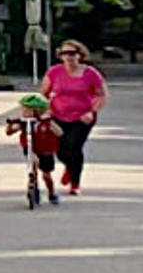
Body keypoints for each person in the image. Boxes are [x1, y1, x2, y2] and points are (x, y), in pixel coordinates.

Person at [42, 40, 108, 191]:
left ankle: (75, 183)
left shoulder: (90, 73)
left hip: (81, 117)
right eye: (64, 54)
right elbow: (44, 94)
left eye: (72, 53)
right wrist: (45, 110)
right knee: (60, 150)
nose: (68, 57)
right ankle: (69, 167)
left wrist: (91, 111)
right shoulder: (54, 72)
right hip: (58, 115)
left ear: (80, 55)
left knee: (73, 147)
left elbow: (102, 95)